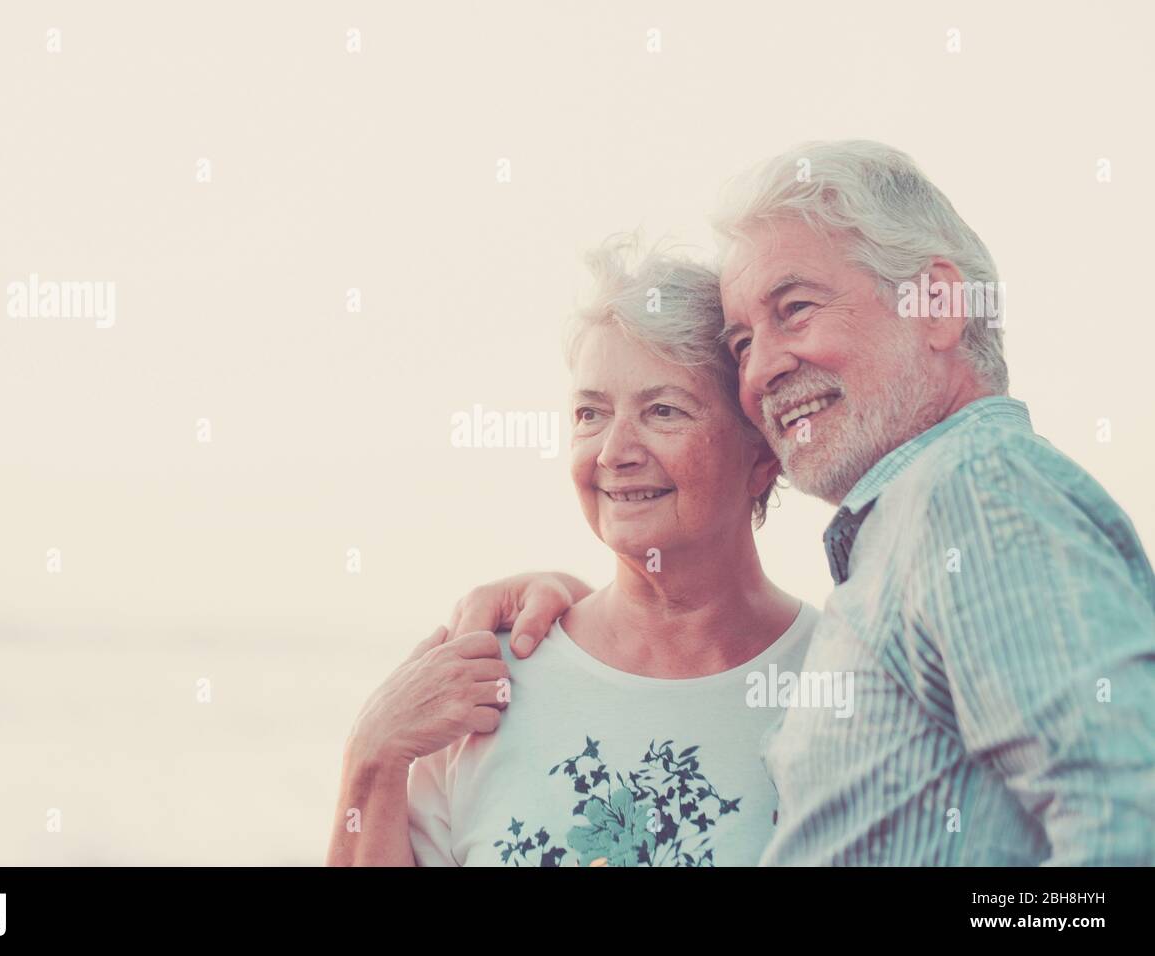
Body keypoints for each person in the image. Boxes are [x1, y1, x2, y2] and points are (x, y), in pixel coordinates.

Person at [450, 141, 1155, 865]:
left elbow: (1131, 822)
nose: (761, 369)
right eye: (743, 339)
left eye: (795, 310)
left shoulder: (975, 494)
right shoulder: (920, 523)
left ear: (938, 305)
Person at [326, 236, 816, 866]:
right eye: (590, 413)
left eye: (662, 411)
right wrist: (371, 754)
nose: (614, 451)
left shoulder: (843, 680)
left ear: (763, 451)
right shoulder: (483, 687)